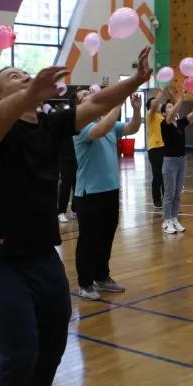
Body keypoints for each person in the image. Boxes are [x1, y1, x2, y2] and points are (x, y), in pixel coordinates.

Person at [0, 48, 150, 386]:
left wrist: (137, 80)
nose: (22, 76)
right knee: (18, 354)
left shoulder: (51, 124)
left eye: (24, 74)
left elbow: (97, 103)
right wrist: (32, 90)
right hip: (1, 259)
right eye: (12, 76)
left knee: (53, 342)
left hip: (42, 254)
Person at [73, 92, 142, 301]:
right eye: (84, 96)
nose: (91, 96)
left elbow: (132, 128)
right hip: (89, 192)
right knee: (88, 239)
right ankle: (85, 283)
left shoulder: (108, 122)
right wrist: (117, 103)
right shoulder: (79, 125)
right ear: (79, 106)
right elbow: (99, 131)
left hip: (111, 190)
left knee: (106, 237)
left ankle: (101, 277)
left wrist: (137, 109)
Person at [161, 87, 193, 234]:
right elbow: (171, 115)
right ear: (164, 113)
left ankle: (174, 218)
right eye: (169, 107)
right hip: (170, 161)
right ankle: (166, 221)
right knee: (169, 193)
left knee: (178, 193)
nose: (172, 108)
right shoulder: (164, 124)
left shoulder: (181, 123)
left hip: (181, 161)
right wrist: (180, 99)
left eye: (173, 106)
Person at [145, 88, 168, 209]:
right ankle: (156, 199)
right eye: (154, 102)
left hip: (164, 147)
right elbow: (154, 106)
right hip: (154, 148)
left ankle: (167, 196)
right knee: (157, 174)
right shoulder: (150, 115)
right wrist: (160, 92)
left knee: (165, 174)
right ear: (150, 106)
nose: (157, 104)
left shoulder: (160, 116)